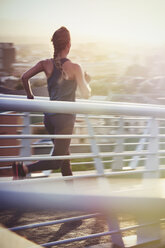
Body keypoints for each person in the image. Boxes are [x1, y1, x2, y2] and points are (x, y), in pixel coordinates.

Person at [12, 26, 91, 179]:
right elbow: (86, 94)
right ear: (69, 45)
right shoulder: (76, 67)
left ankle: (71, 195)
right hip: (65, 121)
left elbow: (24, 78)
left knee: (65, 160)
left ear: (54, 45)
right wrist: (86, 82)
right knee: (57, 161)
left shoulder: (45, 64)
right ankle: (23, 169)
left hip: (49, 118)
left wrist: (30, 97)